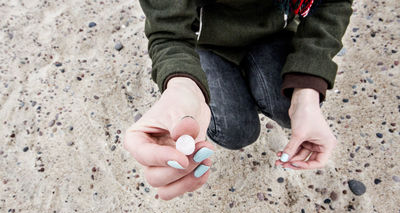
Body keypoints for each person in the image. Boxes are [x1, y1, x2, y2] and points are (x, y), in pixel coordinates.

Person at [123, 0, 353, 200]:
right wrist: (182, 86)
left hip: (273, 29)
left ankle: (250, 80)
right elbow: (168, 34)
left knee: (288, 106)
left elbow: (332, 3)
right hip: (202, 42)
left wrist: (307, 94)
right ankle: (229, 79)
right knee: (235, 132)